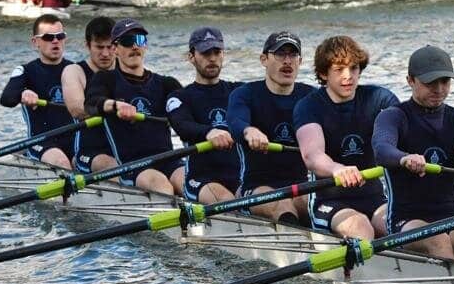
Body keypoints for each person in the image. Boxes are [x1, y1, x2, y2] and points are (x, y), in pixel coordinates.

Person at [373, 45, 454, 260]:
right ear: (410, 80)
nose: (439, 89)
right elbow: (382, 149)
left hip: (451, 217)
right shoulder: (393, 117)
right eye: (430, 82)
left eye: (445, 81)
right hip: (405, 221)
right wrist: (403, 158)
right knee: (437, 238)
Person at [295, 36, 399, 240]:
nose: (348, 76)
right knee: (361, 227)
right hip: (329, 202)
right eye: (339, 69)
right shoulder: (309, 106)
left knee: (400, 226)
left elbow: (405, 130)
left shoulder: (379, 98)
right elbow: (312, 155)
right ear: (324, 74)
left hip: (376, 199)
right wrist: (337, 169)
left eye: (353, 68)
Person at [85, 19, 184, 194]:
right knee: (162, 186)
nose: (135, 47)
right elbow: (91, 104)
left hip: (169, 159)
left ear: (145, 46)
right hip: (132, 165)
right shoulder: (106, 79)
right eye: (127, 42)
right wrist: (115, 105)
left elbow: (190, 111)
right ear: (115, 49)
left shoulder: (167, 84)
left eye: (140, 40)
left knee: (187, 181)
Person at [228, 31, 315, 224]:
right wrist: (248, 131)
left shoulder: (311, 97)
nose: (287, 61)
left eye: (293, 55)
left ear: (300, 61)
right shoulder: (245, 94)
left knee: (315, 203)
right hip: (255, 187)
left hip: (300, 186)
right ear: (264, 59)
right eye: (280, 54)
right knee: (283, 204)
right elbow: (235, 121)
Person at [168, 27, 242, 203]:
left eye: (217, 52)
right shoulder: (179, 97)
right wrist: (209, 132)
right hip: (200, 180)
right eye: (205, 53)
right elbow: (182, 126)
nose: (212, 58)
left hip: (240, 176)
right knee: (226, 200)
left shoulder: (239, 92)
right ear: (191, 57)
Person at [0, 14, 75, 168]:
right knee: (62, 162)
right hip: (41, 142)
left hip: (76, 139)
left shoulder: (76, 70)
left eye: (60, 36)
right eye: (48, 37)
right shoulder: (25, 71)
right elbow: (6, 99)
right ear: (35, 42)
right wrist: (22, 94)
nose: (55, 41)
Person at [60, 16, 117, 173]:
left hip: (125, 148)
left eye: (110, 46)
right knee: (114, 166)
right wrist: (115, 107)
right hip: (90, 152)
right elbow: (77, 110)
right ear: (87, 45)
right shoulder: (74, 71)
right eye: (99, 47)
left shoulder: (127, 70)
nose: (105, 53)